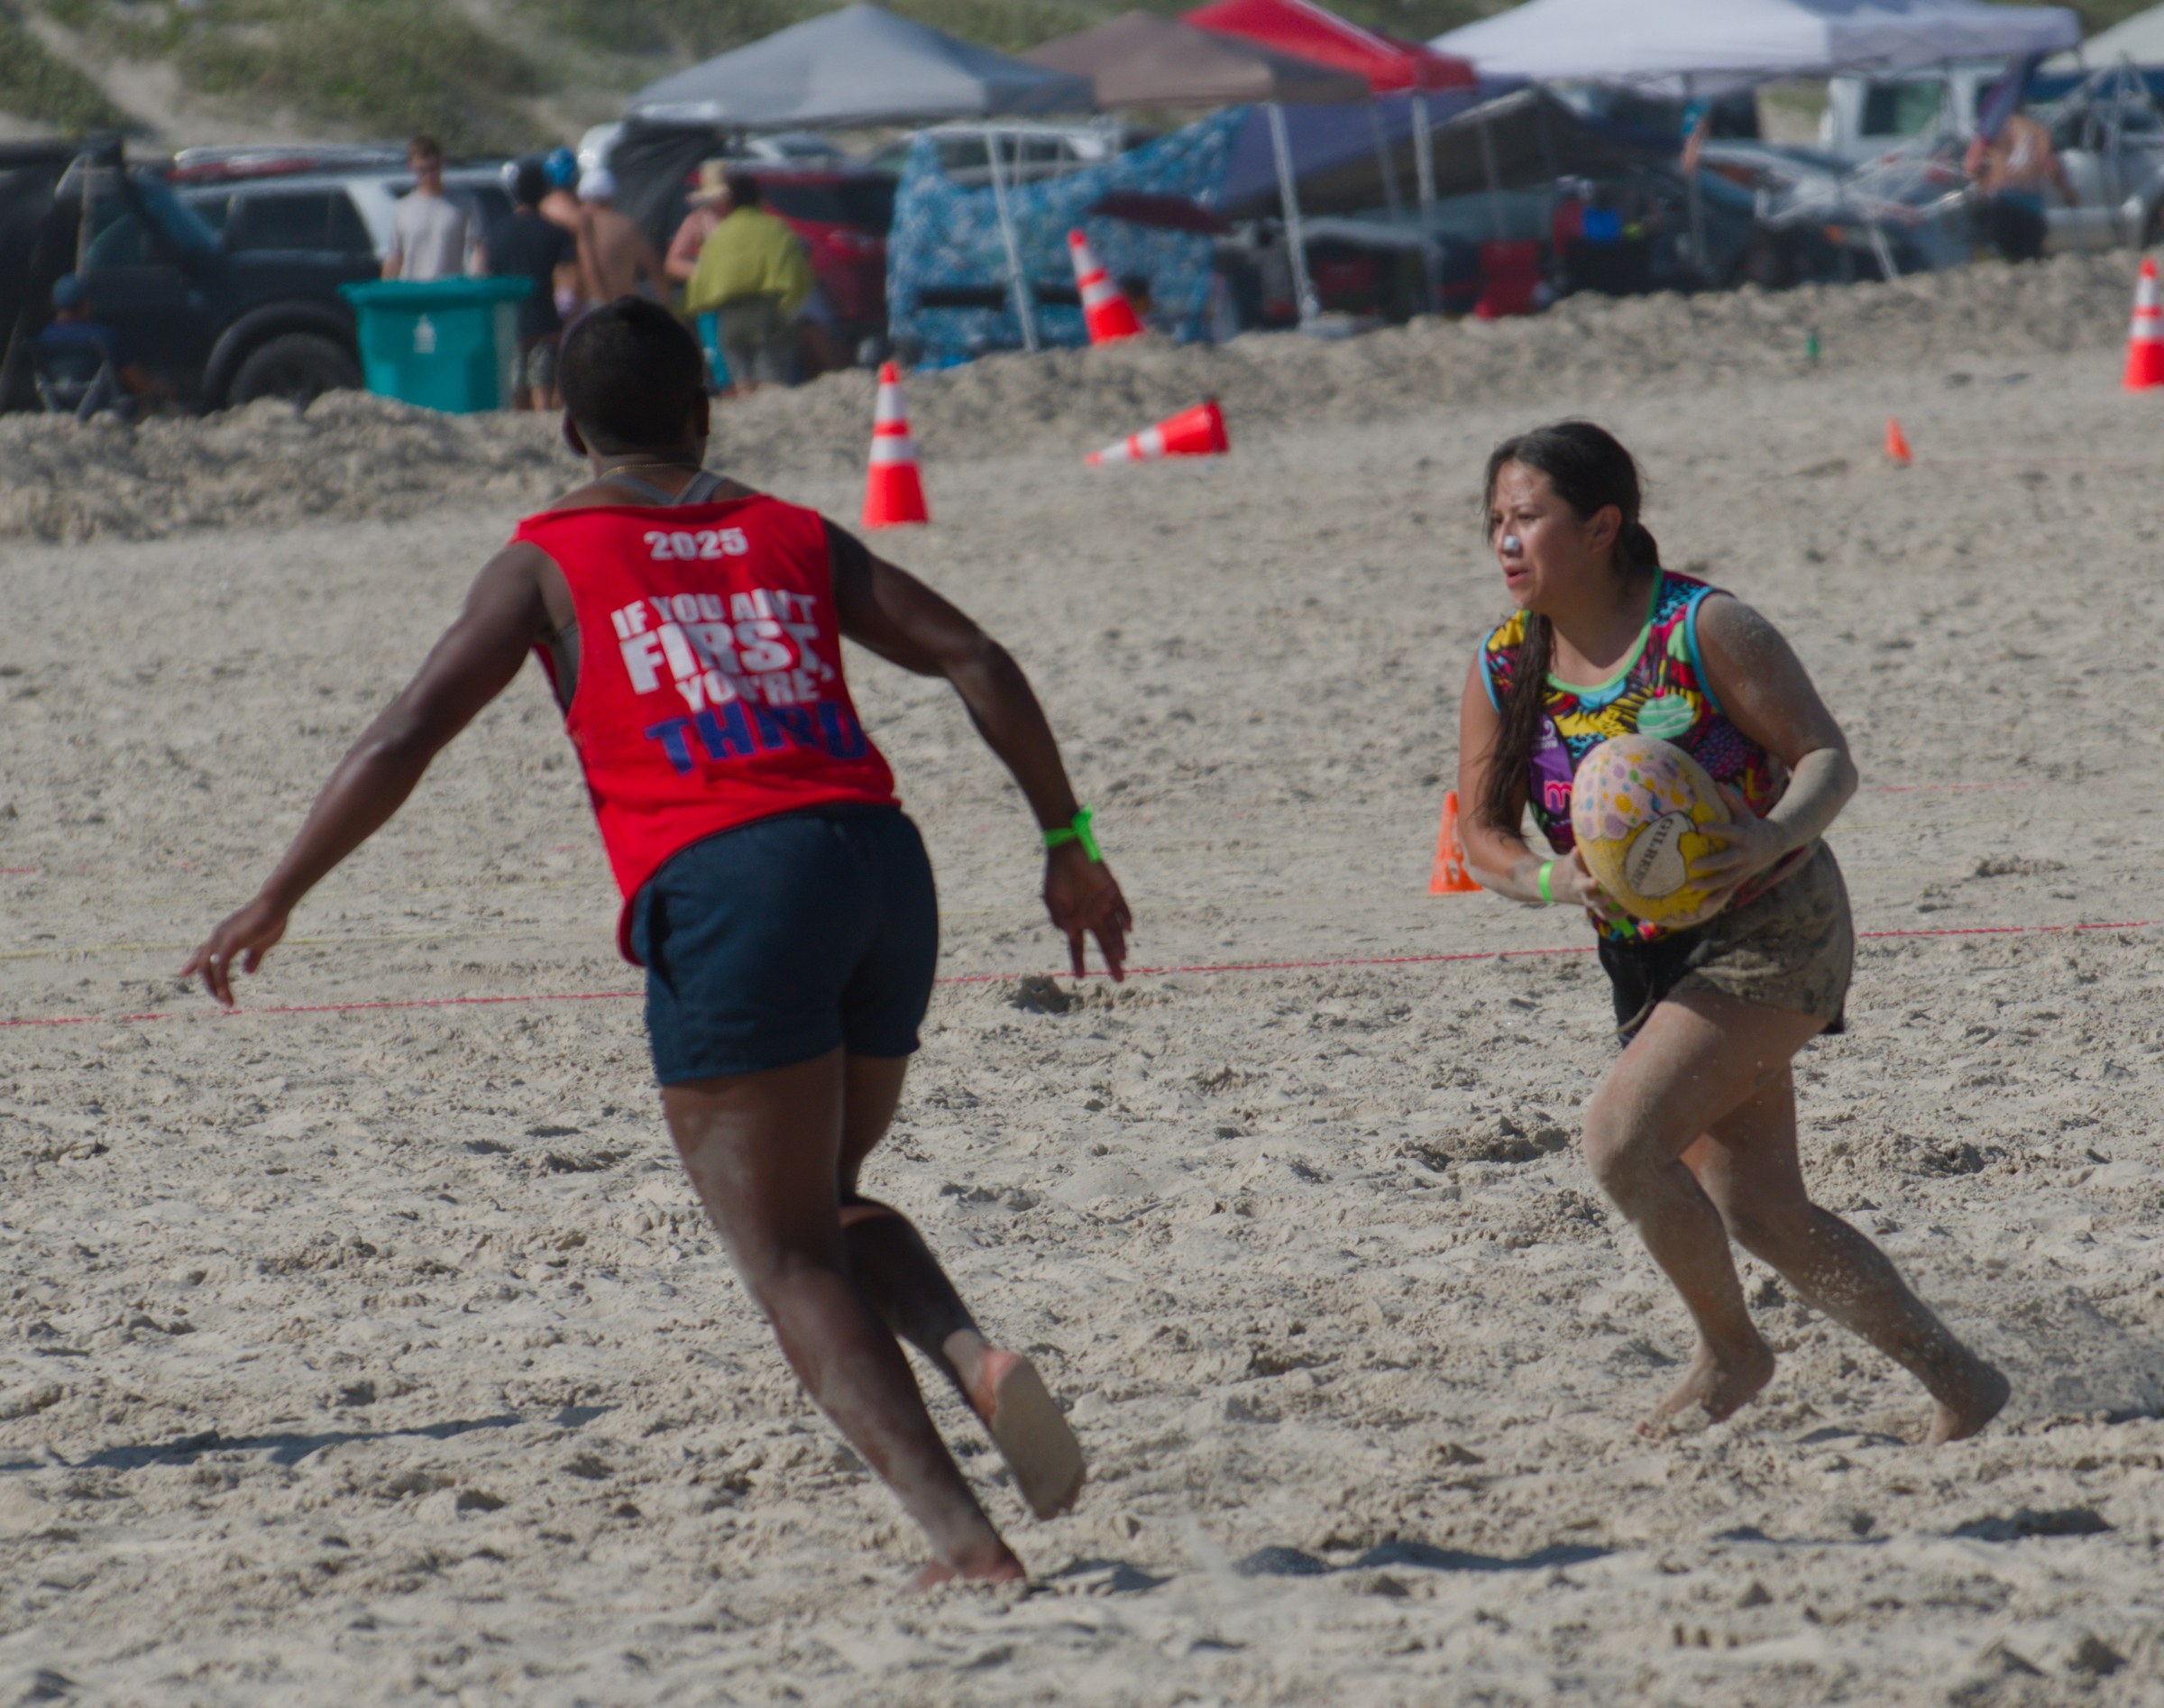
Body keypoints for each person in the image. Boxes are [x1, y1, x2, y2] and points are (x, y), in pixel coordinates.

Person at [181, 297, 1132, 1586]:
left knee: (785, 1254)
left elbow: (405, 733)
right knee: (825, 1195)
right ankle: (971, 1352)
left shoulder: (543, 560)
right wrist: (1068, 840)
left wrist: (278, 892)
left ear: (567, 429)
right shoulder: (790, 529)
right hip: (879, 866)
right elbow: (976, 654)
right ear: (705, 409)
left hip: (735, 888)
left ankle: (967, 1547)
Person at [1454, 421, 2008, 1446]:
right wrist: (1554, 877)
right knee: (1761, 1211)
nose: (1505, 540)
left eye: (1527, 517)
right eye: (1495, 520)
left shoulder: (1702, 628)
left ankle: (1730, 1353)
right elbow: (1482, 839)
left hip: (1775, 924)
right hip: (1648, 953)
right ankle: (1962, 1380)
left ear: (1602, 526)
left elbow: (1826, 758)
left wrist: (1768, 836)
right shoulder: (1506, 662)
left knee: (1622, 1143)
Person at [683, 172, 814, 391]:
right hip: (768, 316)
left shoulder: (720, 235)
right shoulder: (776, 229)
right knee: (771, 384)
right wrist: (792, 311)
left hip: (730, 320)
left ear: (730, 201)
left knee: (742, 386)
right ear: (759, 197)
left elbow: (702, 282)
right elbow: (797, 276)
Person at [479, 161, 578, 411]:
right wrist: (567, 316)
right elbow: (568, 278)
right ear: (544, 191)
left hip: (509, 324)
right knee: (543, 395)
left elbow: (486, 277)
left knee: (514, 396)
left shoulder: (496, 234)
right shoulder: (556, 233)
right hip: (545, 322)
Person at [34, 274, 163, 417]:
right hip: (105, 412)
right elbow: (138, 382)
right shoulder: (103, 336)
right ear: (85, 304)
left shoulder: (44, 337)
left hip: (61, 406)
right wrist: (162, 387)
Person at [1964, 108, 2071, 263]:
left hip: (2004, 201)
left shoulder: (1993, 131)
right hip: (2031, 206)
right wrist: (2067, 192)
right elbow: (2051, 167)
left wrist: (1984, 185)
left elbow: (1972, 165)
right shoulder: (2038, 131)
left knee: (2006, 258)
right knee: (2031, 260)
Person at [382, 134, 473, 281]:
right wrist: (386, 290)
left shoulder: (464, 203)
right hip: (413, 291)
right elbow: (395, 256)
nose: (429, 175)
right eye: (422, 170)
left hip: (450, 291)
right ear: (411, 166)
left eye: (433, 168)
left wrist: (477, 285)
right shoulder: (403, 208)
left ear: (441, 163)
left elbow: (476, 249)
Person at [576, 168, 666, 305]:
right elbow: (654, 267)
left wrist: (606, 305)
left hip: (598, 303)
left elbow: (590, 270)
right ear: (611, 196)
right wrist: (667, 304)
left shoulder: (582, 222)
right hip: (626, 301)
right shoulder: (627, 226)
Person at [665, 161, 731, 292]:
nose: (720, 202)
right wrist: (706, 273)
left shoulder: (746, 218)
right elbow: (673, 263)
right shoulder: (698, 220)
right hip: (711, 292)